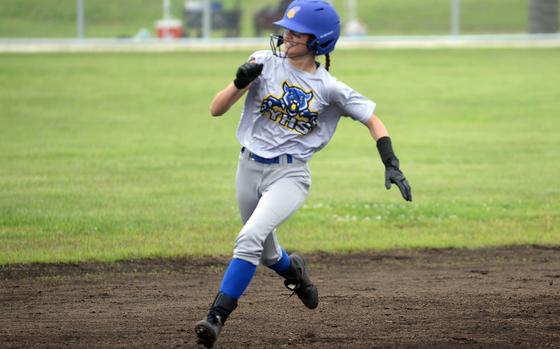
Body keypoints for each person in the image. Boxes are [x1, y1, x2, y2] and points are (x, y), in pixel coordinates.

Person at [194, 0, 412, 347]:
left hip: (289, 176)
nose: (287, 35)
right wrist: (238, 83)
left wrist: (391, 162)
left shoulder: (329, 88)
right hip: (247, 167)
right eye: (286, 29)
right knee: (265, 254)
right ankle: (295, 272)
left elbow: (372, 119)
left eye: (297, 32)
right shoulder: (263, 61)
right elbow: (215, 110)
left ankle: (215, 317)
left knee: (248, 239)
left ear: (319, 41)